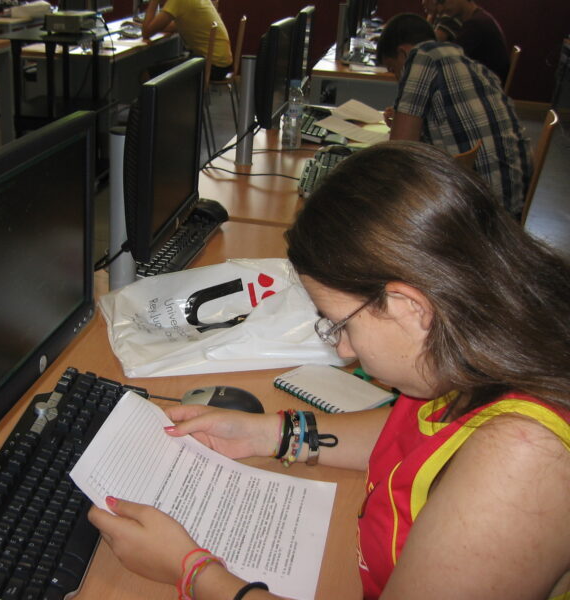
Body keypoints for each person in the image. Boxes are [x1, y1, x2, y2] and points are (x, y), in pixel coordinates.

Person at [88, 141, 570, 600]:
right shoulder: (485, 340)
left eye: (341, 324)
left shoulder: (523, 461)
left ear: (409, 307)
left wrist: (193, 571)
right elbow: (414, 434)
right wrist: (270, 434)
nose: (342, 349)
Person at [377, 13, 531, 218]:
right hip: (508, 206)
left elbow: (400, 154)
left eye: (393, 69)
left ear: (403, 53)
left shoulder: (421, 58)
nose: (398, 78)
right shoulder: (467, 63)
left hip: (479, 215)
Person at [140, 0, 233, 80]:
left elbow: (146, 33)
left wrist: (154, 1)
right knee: (162, 65)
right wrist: (155, 26)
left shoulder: (177, 1)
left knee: (148, 75)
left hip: (212, 67)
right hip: (221, 63)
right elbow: (173, 26)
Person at [439, 0, 510, 82]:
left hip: (487, 85)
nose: (441, 8)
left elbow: (451, 59)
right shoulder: (480, 18)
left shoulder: (475, 24)